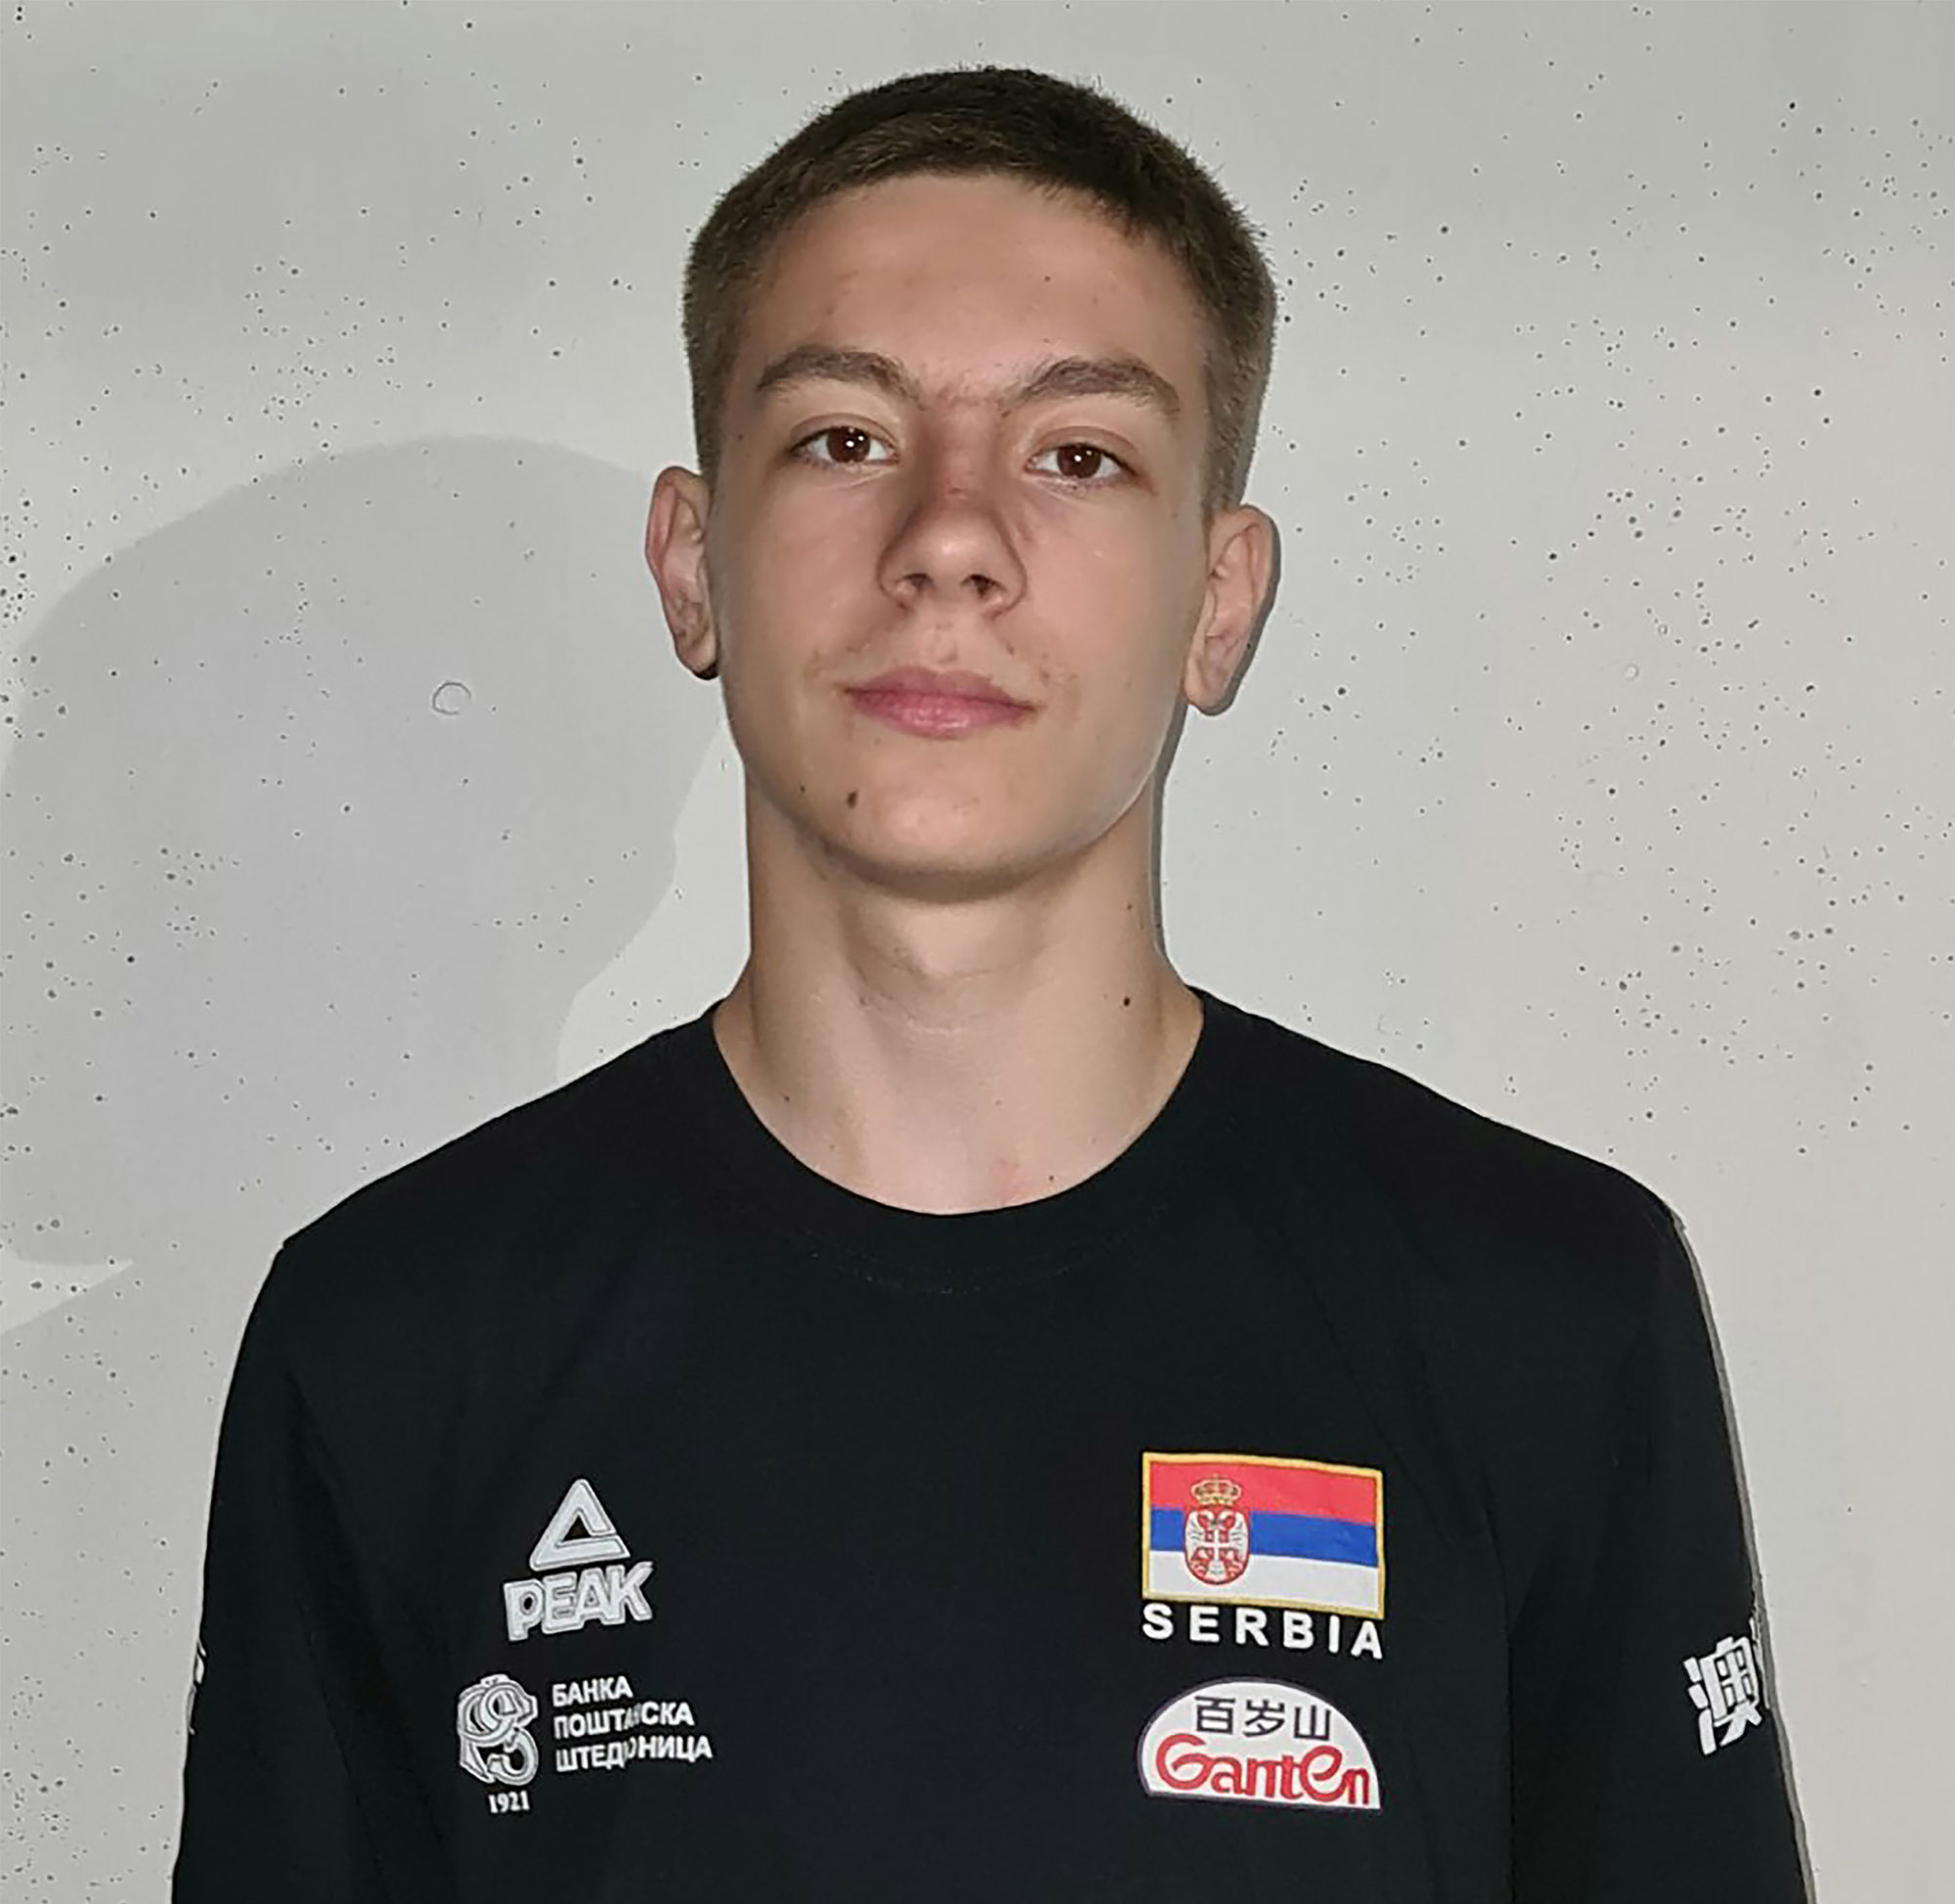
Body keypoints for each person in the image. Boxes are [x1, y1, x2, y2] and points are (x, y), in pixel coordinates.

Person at [172, 65, 1806, 1902]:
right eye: (844, 439)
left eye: (1077, 454)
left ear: (1217, 602)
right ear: (694, 566)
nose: (949, 536)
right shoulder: (394, 1339)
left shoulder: (1549, 1315)